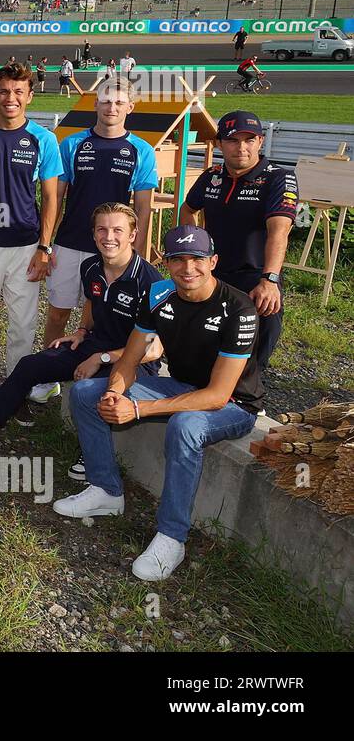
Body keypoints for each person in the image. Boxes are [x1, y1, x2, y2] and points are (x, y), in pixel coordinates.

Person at [55, 225, 264, 582]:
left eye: (197, 260)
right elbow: (131, 358)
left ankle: (172, 536)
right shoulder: (158, 294)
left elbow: (215, 395)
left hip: (232, 404)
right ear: (165, 263)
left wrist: (137, 409)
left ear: (213, 261)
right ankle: (106, 490)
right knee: (87, 392)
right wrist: (114, 391)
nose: (188, 269)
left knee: (186, 426)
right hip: (179, 385)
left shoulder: (239, 309)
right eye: (178, 260)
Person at [0, 202, 163, 442]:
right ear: (93, 234)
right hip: (95, 344)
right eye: (101, 229)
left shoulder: (151, 282)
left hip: (135, 361)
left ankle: (90, 454)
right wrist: (81, 330)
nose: (108, 237)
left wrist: (101, 359)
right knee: (29, 365)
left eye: (117, 231)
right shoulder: (90, 267)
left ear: (133, 235)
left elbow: (154, 349)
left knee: (91, 393)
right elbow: (92, 300)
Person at [40, 78, 157, 401]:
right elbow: (55, 200)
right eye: (106, 101)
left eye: (119, 102)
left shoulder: (141, 151)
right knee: (57, 313)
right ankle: (49, 373)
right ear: (95, 104)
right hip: (71, 243)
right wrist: (45, 245)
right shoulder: (72, 144)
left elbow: (143, 211)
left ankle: (93, 369)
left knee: (102, 317)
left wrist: (140, 257)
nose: (112, 108)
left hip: (114, 253)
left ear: (130, 107)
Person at [0, 62, 62, 391]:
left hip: (25, 247)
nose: (11, 98)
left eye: (19, 91)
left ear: (30, 96)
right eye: (4, 91)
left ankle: (15, 389)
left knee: (22, 323)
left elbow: (50, 198)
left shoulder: (43, 139)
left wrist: (44, 248)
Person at [180, 111, 297, 371]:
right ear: (219, 143)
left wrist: (270, 280)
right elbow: (188, 209)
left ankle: (249, 399)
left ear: (260, 141)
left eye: (249, 140)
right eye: (233, 140)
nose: (242, 147)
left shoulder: (278, 177)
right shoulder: (212, 176)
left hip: (255, 276)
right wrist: (193, 253)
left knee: (252, 354)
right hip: (213, 273)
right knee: (204, 345)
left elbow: (280, 231)